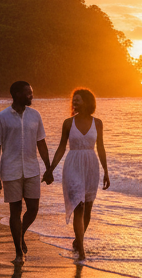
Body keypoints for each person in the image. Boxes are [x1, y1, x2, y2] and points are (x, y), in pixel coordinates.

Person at [0, 80, 51, 264]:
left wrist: (48, 168)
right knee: (15, 212)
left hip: (32, 169)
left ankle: (20, 233)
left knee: (33, 209)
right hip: (10, 170)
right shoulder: (1, 118)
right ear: (16, 94)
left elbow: (41, 143)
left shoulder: (35, 115)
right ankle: (18, 253)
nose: (31, 95)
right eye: (28, 93)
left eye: (31, 92)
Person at [44, 87, 109, 261]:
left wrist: (106, 171)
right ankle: (81, 250)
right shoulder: (68, 123)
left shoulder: (98, 123)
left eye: (78, 99)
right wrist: (50, 169)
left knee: (88, 208)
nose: (74, 102)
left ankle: (78, 240)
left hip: (91, 166)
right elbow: (61, 147)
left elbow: (101, 148)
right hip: (73, 165)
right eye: (73, 100)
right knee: (78, 207)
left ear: (87, 102)